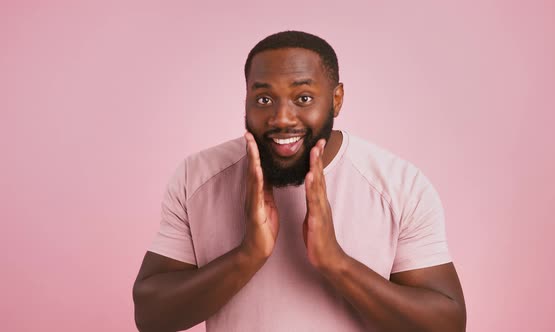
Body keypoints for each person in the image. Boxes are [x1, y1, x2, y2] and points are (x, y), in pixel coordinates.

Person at [132, 30, 466, 332]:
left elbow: (447, 324)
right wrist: (248, 255)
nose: (281, 117)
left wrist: (336, 263)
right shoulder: (198, 176)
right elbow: (151, 315)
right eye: (264, 99)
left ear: (336, 99)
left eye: (303, 98)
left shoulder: (399, 185)